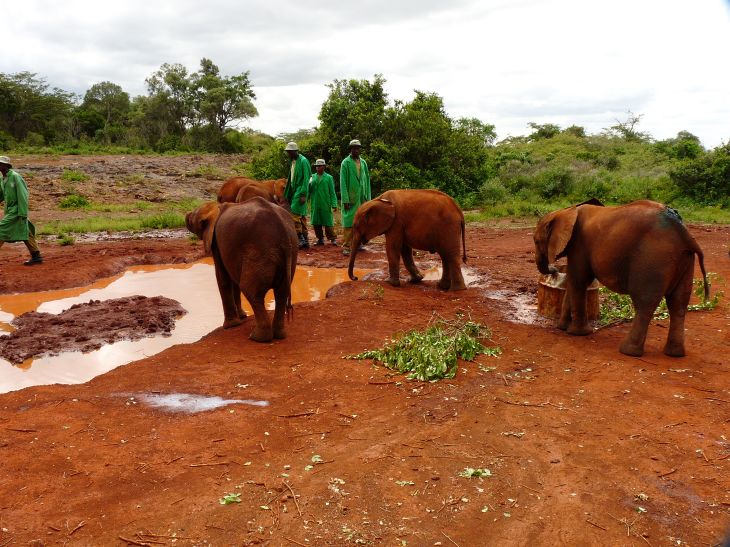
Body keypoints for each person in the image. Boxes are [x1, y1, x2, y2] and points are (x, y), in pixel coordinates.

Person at [0, 156, 43, 265]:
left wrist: (23, 213)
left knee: (1, 230)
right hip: (10, 210)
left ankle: (36, 256)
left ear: (6, 165)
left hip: (17, 210)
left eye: (1, 164)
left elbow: (23, 195)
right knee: (26, 231)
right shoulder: (2, 179)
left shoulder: (15, 176)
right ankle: (36, 256)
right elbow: (2, 195)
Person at [339, 139, 371, 255]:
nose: (356, 150)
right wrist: (345, 200)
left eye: (357, 148)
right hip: (351, 197)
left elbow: (367, 180)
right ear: (350, 149)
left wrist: (368, 198)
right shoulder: (345, 163)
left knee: (361, 221)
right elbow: (343, 182)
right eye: (353, 148)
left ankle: (358, 243)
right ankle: (347, 246)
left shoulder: (363, 163)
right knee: (349, 221)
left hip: (362, 197)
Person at [283, 142, 312, 248]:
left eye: (290, 152)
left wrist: (303, 193)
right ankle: (306, 240)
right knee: (302, 215)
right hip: (295, 190)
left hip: (301, 190)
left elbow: (307, 178)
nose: (288, 154)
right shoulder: (293, 161)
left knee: (294, 213)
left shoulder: (303, 161)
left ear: (295, 151)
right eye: (288, 152)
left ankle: (300, 238)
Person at [308, 159, 338, 246]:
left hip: (325, 202)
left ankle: (332, 238)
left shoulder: (329, 178)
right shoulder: (312, 177)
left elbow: (332, 192)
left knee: (328, 222)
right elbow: (308, 190)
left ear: (324, 167)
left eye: (320, 166)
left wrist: (334, 204)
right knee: (316, 222)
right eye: (317, 166)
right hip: (315, 203)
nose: (318, 167)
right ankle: (320, 239)